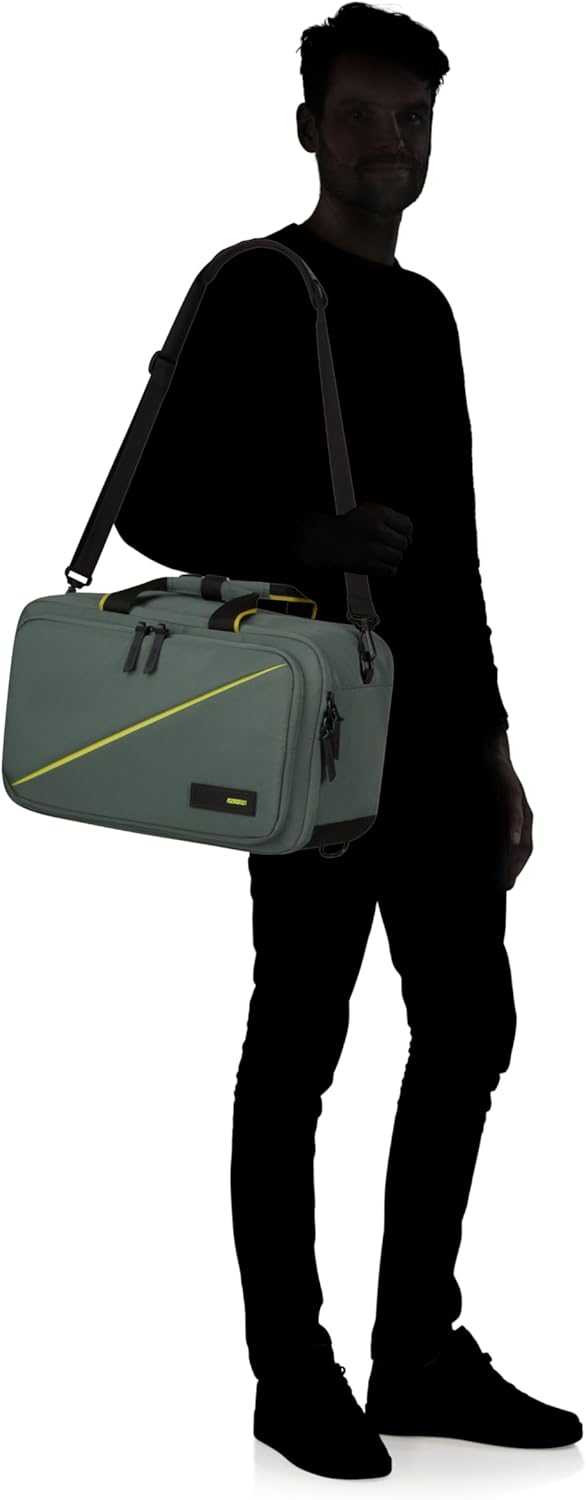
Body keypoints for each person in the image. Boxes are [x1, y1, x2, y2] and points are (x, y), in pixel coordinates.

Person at [114, 5, 581, 1480]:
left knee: (471, 1027)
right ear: (310, 128)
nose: (391, 141)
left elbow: (459, 554)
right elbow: (145, 504)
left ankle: (416, 1354)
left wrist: (495, 746)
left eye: (412, 118)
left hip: (434, 736)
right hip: (308, 732)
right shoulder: (256, 288)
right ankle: (289, 1373)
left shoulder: (428, 312)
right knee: (298, 1049)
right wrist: (304, 539)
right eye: (364, 114)